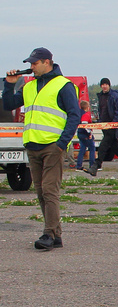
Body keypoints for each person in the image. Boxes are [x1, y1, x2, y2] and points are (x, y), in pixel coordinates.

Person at [3, 48, 82, 250]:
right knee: (40, 191)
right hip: (33, 145)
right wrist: (9, 85)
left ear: (47, 62)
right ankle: (55, 235)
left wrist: (61, 143)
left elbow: (75, 115)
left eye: (34, 63)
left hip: (52, 146)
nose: (31, 67)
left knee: (49, 191)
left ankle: (48, 234)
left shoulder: (63, 85)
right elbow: (9, 104)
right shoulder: (29, 86)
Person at [93, 80, 118, 177]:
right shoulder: (101, 96)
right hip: (104, 125)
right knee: (116, 148)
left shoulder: (114, 96)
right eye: (103, 85)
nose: (104, 86)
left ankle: (95, 166)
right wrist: (100, 122)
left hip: (113, 125)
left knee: (103, 145)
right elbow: (101, 111)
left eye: (106, 84)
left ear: (109, 85)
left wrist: (114, 123)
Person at [75, 100, 97, 172]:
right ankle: (92, 165)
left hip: (80, 133)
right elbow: (85, 124)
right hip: (85, 134)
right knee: (92, 148)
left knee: (82, 149)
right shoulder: (86, 115)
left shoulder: (78, 113)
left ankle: (79, 165)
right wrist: (89, 133)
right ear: (87, 107)